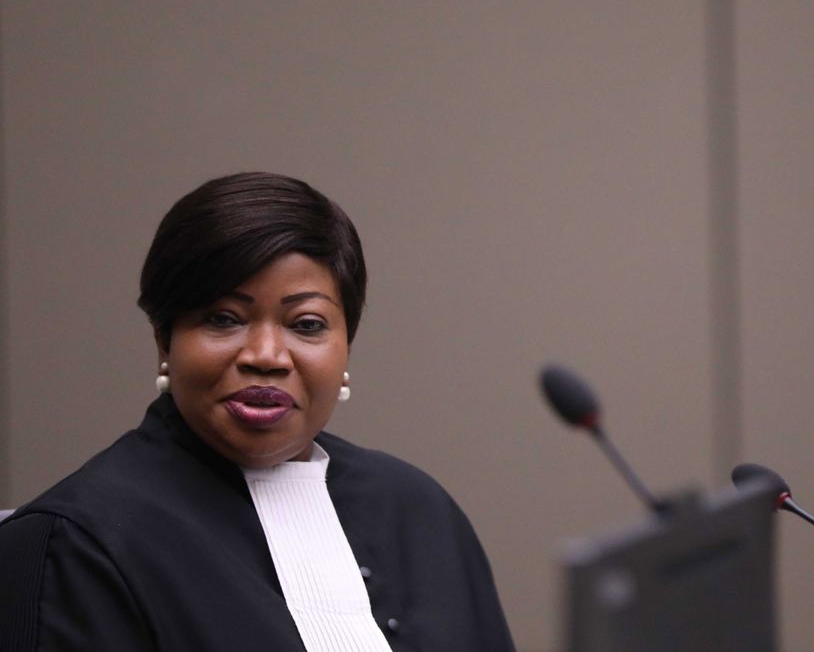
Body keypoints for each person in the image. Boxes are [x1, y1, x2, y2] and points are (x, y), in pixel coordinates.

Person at [0, 172, 516, 651]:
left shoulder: (419, 512)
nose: (266, 356)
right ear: (165, 339)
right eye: (224, 318)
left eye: (307, 324)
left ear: (347, 346)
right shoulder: (72, 541)